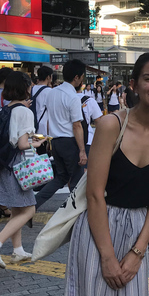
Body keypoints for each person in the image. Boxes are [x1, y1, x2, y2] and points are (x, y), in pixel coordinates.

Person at [64, 53, 149, 296]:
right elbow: (94, 194)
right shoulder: (111, 125)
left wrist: (138, 252)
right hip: (97, 229)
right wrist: (106, 257)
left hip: (138, 228)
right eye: (148, 79)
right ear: (135, 85)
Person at [0, 72, 46, 268]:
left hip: (4, 164)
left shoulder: (5, 109)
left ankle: (17, 251)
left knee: (18, 209)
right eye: (29, 85)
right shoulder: (25, 111)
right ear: (24, 87)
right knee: (30, 210)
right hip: (18, 164)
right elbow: (23, 144)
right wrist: (38, 142)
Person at [35, 59, 87, 209]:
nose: (82, 80)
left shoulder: (52, 93)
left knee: (60, 178)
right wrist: (82, 150)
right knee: (77, 180)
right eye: (82, 76)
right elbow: (77, 125)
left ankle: (34, 205)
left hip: (56, 141)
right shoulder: (73, 97)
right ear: (77, 77)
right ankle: (74, 212)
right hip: (69, 142)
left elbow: (50, 119)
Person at [31, 66, 53, 136]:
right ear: (48, 77)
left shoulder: (32, 89)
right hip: (43, 127)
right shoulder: (49, 91)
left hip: (32, 126)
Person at [81, 92, 103, 157]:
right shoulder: (89, 100)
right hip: (87, 139)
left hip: (66, 141)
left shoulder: (62, 98)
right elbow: (99, 122)